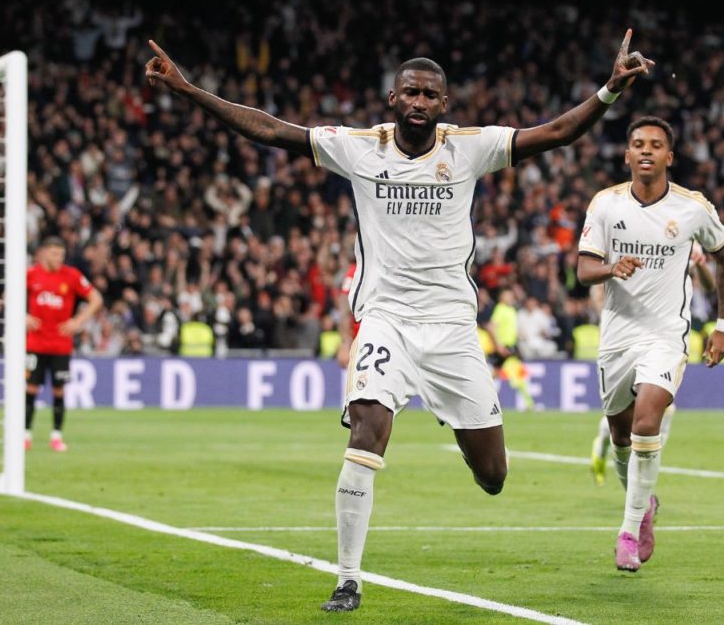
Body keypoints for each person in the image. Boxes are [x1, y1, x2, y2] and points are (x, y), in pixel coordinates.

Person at [146, 31, 653, 611]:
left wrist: (610, 90)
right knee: (367, 429)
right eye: (409, 91)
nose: (418, 101)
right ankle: (348, 578)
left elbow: (557, 132)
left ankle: (455, 421)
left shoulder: (470, 148)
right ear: (392, 99)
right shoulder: (360, 147)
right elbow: (269, 128)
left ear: (444, 105)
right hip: (385, 319)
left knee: (493, 476)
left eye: (430, 94)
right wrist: (188, 91)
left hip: (453, 330)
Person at [576, 116, 724, 572]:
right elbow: (583, 269)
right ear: (626, 155)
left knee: (649, 421)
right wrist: (610, 268)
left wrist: (723, 324)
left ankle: (628, 531)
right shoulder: (605, 205)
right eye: (637, 144)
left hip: (666, 335)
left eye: (656, 145)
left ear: (670, 156)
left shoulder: (692, 208)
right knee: (620, 438)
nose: (646, 151)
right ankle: (643, 506)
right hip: (617, 338)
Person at [589, 244, 712, 485]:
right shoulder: (633, 236)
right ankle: (609, 442)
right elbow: (597, 280)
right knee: (631, 415)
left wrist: (702, 264)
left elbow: (709, 286)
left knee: (658, 412)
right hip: (627, 338)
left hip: (665, 341)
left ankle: (640, 489)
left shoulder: (682, 235)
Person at [25, 236, 104, 452]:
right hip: (35, 343)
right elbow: (7, 296)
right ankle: (26, 435)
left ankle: (56, 436)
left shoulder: (71, 276)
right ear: (43, 253)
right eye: (54, 254)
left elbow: (96, 299)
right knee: (31, 388)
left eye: (61, 254)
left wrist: (77, 322)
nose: (58, 258)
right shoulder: (31, 274)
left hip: (60, 345)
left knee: (59, 391)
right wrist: (22, 316)